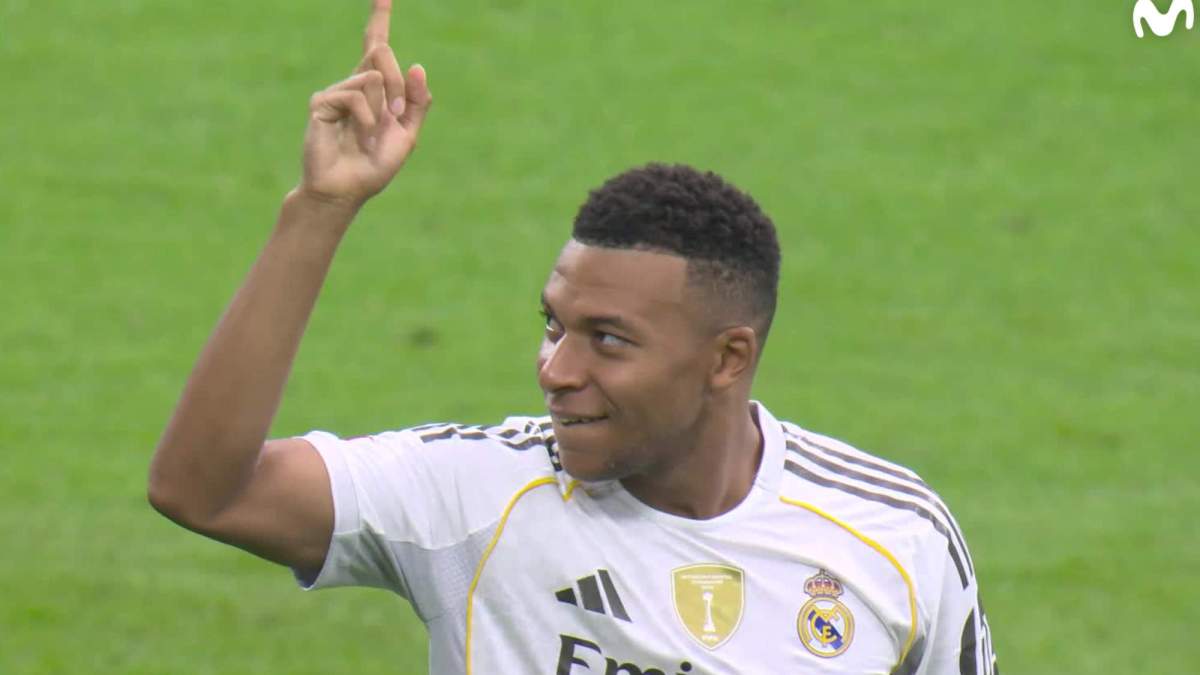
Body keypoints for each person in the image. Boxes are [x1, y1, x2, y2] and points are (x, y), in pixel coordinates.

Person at [148, 2, 998, 673]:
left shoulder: (895, 539)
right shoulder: (478, 498)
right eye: (554, 325)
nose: (556, 370)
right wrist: (320, 211)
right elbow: (204, 490)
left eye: (608, 340)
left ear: (726, 358)